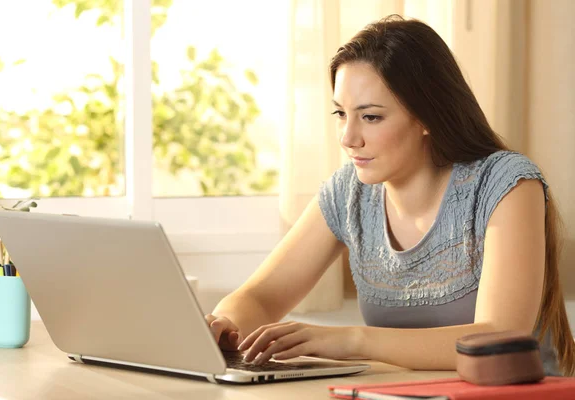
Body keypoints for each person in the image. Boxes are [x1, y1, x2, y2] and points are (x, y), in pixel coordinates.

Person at [204, 15, 575, 377]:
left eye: (371, 117)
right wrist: (223, 325)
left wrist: (352, 340)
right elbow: (259, 297)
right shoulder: (348, 193)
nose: (348, 138)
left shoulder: (505, 183)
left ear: (426, 117)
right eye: (340, 113)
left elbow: (499, 338)